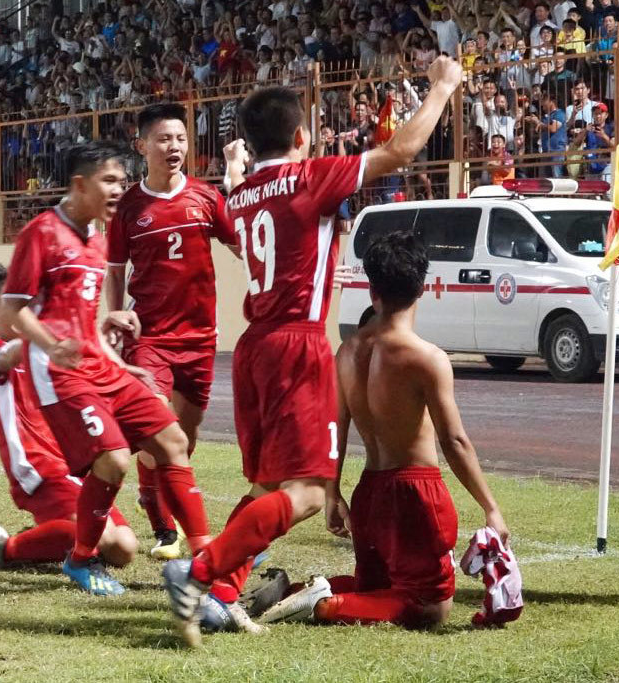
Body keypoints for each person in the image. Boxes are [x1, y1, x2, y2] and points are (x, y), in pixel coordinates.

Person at [162, 55, 466, 649]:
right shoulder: (310, 177)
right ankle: (197, 574)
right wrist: (442, 88)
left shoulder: (243, 192)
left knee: (265, 488)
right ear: (301, 136)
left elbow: (242, 208)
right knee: (304, 492)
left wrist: (233, 169)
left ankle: (223, 592)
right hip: (296, 343)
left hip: (250, 347)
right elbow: (399, 152)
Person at [254, 231, 509, 628]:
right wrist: (490, 506)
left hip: (368, 491)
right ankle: (323, 602)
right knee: (430, 605)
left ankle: (291, 591)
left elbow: (334, 427)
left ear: (372, 288)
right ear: (422, 287)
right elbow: (454, 440)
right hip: (414, 491)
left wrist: (331, 489)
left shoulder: (348, 351)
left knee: (373, 587)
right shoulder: (426, 357)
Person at [0, 142, 211, 598]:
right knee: (113, 459)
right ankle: (79, 561)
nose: (120, 189)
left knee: (172, 439)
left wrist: (123, 365)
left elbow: (86, 327)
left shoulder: (96, 242)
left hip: (100, 365)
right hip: (58, 373)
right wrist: (51, 345)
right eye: (110, 181)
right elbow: (14, 307)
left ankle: (206, 557)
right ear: (80, 184)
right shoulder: (42, 233)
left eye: (122, 180)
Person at [105, 103, 237, 561]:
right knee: (157, 432)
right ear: (142, 146)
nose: (174, 147)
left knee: (187, 437)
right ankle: (164, 524)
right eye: (164, 139)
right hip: (151, 338)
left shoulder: (205, 196)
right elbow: (115, 269)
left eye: (180, 138)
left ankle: (157, 499)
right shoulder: (128, 208)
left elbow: (242, 245)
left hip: (201, 339)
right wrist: (115, 316)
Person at [0, 265, 138, 571]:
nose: (25, 312)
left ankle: (42, 540)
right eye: (14, 304)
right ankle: (3, 549)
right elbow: (15, 353)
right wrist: (78, 333)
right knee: (96, 539)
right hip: (39, 468)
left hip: (77, 465)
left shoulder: (47, 354)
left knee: (123, 549)